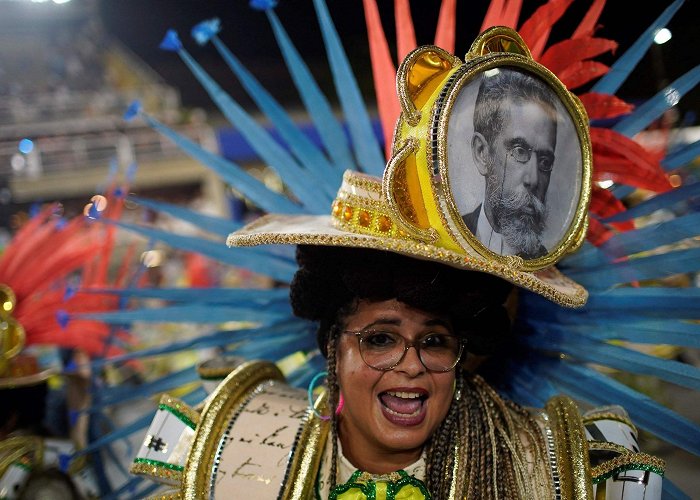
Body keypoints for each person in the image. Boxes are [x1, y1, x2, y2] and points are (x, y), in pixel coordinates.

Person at [463, 68, 558, 259]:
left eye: (544, 161)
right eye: (519, 151)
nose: (533, 179)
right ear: (482, 153)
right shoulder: (448, 236)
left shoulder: (546, 266)